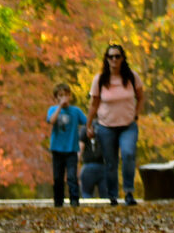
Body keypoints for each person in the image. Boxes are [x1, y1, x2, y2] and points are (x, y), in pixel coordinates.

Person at [86, 44, 144, 206]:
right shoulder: (100, 79)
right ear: (106, 59)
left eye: (117, 56)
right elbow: (93, 104)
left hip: (128, 125)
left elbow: (141, 97)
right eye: (111, 56)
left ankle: (128, 192)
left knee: (128, 154)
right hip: (105, 126)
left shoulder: (132, 77)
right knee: (111, 163)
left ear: (122, 58)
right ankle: (112, 195)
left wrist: (137, 113)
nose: (114, 60)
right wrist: (89, 125)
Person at [46, 83, 86, 208]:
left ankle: (74, 201)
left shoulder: (76, 111)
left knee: (72, 176)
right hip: (57, 149)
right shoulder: (53, 110)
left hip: (71, 149)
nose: (63, 98)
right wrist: (59, 107)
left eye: (65, 95)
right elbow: (51, 121)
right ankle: (58, 201)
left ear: (70, 96)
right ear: (56, 98)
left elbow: (86, 122)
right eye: (60, 95)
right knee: (58, 177)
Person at [79, 125, 107, 199]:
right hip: (103, 166)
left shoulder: (85, 128)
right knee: (105, 197)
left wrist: (77, 161)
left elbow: (80, 147)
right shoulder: (104, 128)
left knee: (86, 195)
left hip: (88, 165)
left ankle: (87, 209)